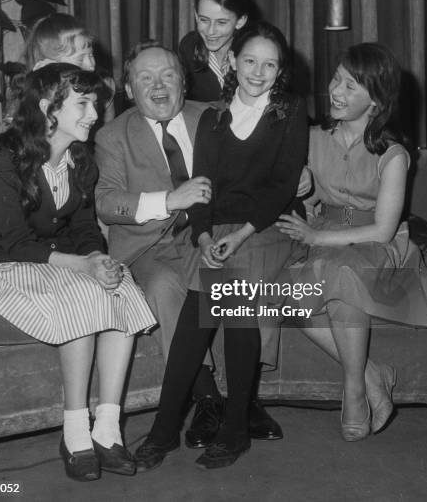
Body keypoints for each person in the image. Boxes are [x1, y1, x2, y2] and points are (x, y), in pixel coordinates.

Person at [0, 63, 156, 481]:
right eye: (83, 103)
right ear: (48, 108)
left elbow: (83, 228)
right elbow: (16, 243)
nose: (95, 113)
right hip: (10, 264)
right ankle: (75, 430)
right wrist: (82, 266)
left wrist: (99, 260)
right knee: (80, 297)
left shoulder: (81, 160)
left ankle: (107, 428)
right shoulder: (2, 163)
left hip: (61, 261)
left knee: (120, 289)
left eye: (96, 103)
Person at [94, 40, 285, 454]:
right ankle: (206, 399)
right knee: (164, 287)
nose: (159, 86)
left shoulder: (215, 116)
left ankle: (242, 399)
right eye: (145, 78)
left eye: (168, 75)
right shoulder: (113, 136)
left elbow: (265, 162)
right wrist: (169, 200)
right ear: (130, 89)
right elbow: (106, 203)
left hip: (208, 235)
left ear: (183, 81)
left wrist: (299, 175)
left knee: (235, 282)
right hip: (150, 246)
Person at [133, 21, 308, 471]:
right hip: (220, 231)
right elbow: (202, 186)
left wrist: (240, 234)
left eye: (270, 64)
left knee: (229, 295)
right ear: (233, 61)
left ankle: (225, 428)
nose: (258, 71)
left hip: (267, 228)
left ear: (280, 70)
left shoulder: (289, 111)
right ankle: (169, 426)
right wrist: (206, 236)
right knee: (199, 305)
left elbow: (282, 186)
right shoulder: (213, 116)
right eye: (250, 61)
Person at [275, 43, 427, 441]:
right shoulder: (310, 138)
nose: (336, 91)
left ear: (376, 102)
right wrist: (304, 193)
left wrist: (318, 236)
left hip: (377, 246)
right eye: (336, 79)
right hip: (324, 238)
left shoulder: (393, 154)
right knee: (286, 294)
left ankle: (354, 393)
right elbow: (298, 193)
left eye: (350, 85)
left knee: (342, 274)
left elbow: (383, 229)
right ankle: (371, 374)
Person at [0, 13, 116, 142]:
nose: (91, 65)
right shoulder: (33, 92)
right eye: (80, 60)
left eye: (91, 55)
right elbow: (3, 136)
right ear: (51, 65)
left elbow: (109, 138)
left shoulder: (104, 87)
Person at [179, 0, 249, 102]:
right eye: (204, 20)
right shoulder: (188, 47)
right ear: (196, 16)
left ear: (240, 21)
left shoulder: (253, 53)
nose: (210, 31)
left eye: (221, 22)